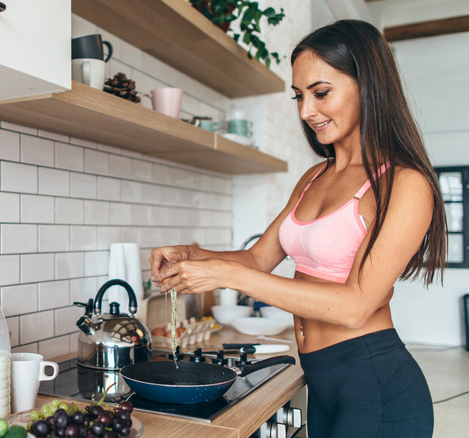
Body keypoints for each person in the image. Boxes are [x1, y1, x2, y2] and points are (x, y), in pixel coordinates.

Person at [150, 20, 445, 437]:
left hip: (375, 384)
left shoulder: (402, 183)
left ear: (369, 84)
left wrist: (228, 276)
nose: (307, 111)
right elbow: (258, 257)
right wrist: (193, 255)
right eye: (299, 96)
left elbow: (355, 305)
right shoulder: (313, 177)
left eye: (321, 93)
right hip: (322, 381)